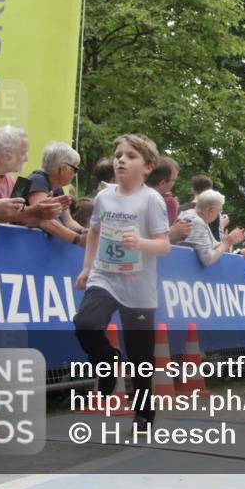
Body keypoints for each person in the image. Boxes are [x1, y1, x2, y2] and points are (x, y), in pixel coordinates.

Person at [73, 134, 170, 430]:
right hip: (105, 275)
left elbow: (164, 245)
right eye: (118, 155)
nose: (121, 160)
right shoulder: (104, 197)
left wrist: (139, 242)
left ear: (148, 167)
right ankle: (108, 360)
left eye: (130, 156)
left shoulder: (151, 200)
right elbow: (94, 232)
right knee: (85, 323)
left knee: (141, 357)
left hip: (139, 286)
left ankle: (143, 412)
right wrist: (87, 267)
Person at [27, 141, 88, 247]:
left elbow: (68, 221)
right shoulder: (38, 180)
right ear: (63, 169)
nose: (75, 174)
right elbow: (46, 220)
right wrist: (78, 240)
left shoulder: (57, 188)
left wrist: (84, 231)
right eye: (75, 169)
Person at [178, 189, 245, 266]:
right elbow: (208, 259)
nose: (218, 215)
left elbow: (212, 245)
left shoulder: (193, 216)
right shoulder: (197, 222)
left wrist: (230, 239)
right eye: (218, 211)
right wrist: (227, 243)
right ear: (211, 210)